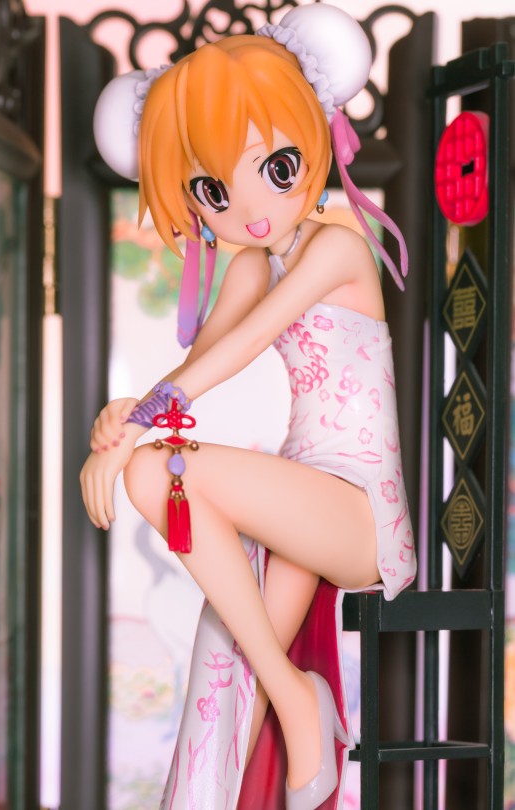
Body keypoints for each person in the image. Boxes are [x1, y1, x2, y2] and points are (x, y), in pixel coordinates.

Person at [80, 5, 416, 808]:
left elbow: (238, 350)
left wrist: (134, 436)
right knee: (225, 657)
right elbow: (199, 363)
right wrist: (127, 416)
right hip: (301, 497)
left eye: (277, 166)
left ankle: (301, 706)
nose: (250, 206)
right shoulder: (254, 264)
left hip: (360, 510)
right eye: (213, 190)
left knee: (157, 475)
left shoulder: (337, 245)